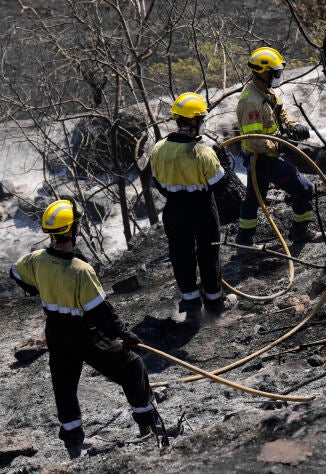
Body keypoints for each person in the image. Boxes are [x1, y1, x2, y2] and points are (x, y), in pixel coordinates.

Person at [9, 199, 161, 456]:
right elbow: (100, 312)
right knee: (132, 366)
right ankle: (149, 424)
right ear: (72, 231)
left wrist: (36, 288)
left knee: (64, 383)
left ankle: (73, 440)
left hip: (55, 330)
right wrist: (124, 334)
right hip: (83, 332)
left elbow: (15, 272)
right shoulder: (81, 270)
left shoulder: (37, 260)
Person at [149, 92, 237, 318]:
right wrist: (225, 163)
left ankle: (190, 304)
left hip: (173, 209)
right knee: (209, 253)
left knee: (181, 255)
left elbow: (158, 184)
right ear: (194, 120)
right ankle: (215, 303)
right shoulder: (203, 152)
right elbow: (221, 184)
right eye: (202, 118)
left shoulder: (159, 149)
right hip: (202, 209)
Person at [235, 46, 323, 246]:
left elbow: (280, 111)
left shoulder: (265, 90)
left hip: (263, 156)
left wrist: (294, 126)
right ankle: (300, 232)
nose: (279, 76)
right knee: (304, 189)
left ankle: (243, 241)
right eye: (276, 72)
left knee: (254, 198)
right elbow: (254, 141)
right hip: (262, 159)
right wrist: (280, 146)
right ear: (264, 72)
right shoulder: (250, 102)